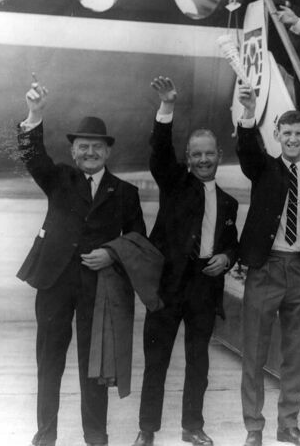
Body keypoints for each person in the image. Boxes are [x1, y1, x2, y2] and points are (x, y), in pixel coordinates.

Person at [17, 79, 146, 446]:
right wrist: (35, 113)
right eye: (83, 146)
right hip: (55, 282)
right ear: (73, 152)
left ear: (108, 153)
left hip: (99, 287)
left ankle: (95, 435)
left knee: (95, 367)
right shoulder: (58, 178)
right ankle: (45, 434)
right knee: (49, 362)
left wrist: (112, 253)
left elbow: (138, 240)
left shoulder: (125, 193)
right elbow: (31, 154)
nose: (90, 152)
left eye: (97, 147)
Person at [133, 77, 239, 446]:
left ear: (219, 156)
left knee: (199, 364)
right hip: (168, 286)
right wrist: (167, 107)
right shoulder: (175, 183)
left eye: (209, 154)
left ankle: (192, 426)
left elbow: (232, 243)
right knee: (156, 363)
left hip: (204, 289)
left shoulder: (228, 202)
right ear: (188, 159)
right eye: (196, 154)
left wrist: (227, 256)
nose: (203, 160)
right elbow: (160, 152)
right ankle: (147, 430)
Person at [235, 87, 300, 446]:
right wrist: (248, 116)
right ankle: (254, 428)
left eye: (298, 134)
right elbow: (247, 152)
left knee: (295, 352)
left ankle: (288, 425)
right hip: (266, 269)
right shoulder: (264, 169)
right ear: (277, 135)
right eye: (286, 133)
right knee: (255, 352)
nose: (292, 139)